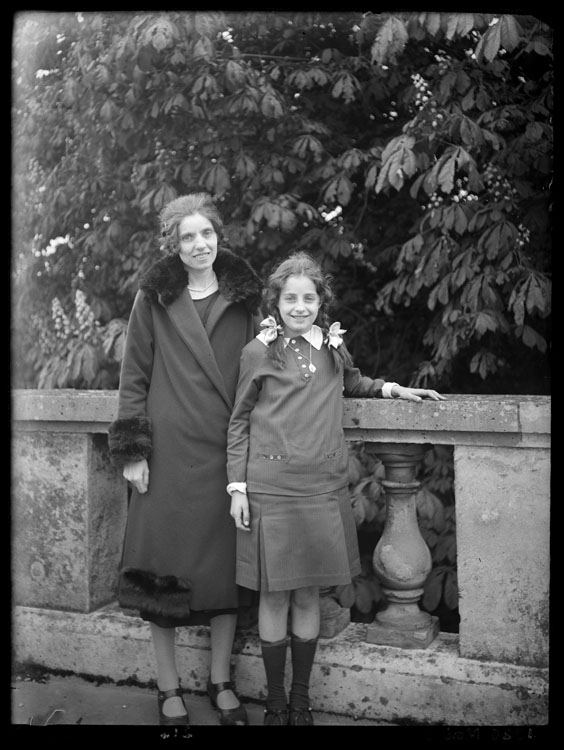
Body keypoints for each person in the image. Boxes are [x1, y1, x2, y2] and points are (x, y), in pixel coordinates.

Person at [226, 251, 445, 726]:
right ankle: (276, 702)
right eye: (291, 298)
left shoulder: (332, 347)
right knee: (273, 597)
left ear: (320, 301)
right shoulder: (258, 351)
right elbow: (239, 420)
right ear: (277, 301)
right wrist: (238, 488)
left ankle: (301, 701)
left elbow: (354, 383)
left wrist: (395, 390)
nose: (300, 306)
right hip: (270, 489)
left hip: (322, 487)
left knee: (307, 596)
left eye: (309, 297)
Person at [108, 193, 263, 726]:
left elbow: (273, 366)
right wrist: (133, 451)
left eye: (207, 234)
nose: (200, 245)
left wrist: (376, 386)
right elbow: (134, 375)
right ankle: (167, 687)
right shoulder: (154, 297)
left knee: (223, 575)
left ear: (219, 237)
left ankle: (221, 681)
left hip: (225, 453)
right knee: (161, 575)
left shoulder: (245, 299)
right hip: (169, 456)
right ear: (173, 245)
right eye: (187, 237)